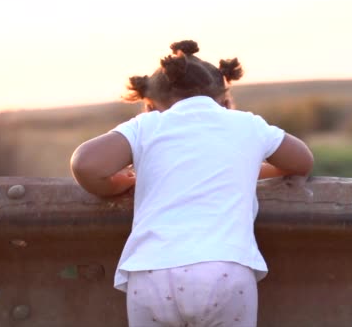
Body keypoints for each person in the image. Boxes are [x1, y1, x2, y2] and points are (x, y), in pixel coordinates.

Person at [70, 40, 314, 327]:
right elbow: (301, 161)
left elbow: (85, 163)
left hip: (150, 272)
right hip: (225, 269)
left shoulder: (147, 126)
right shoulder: (248, 124)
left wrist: (115, 184)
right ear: (225, 99)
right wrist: (245, 169)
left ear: (149, 105)